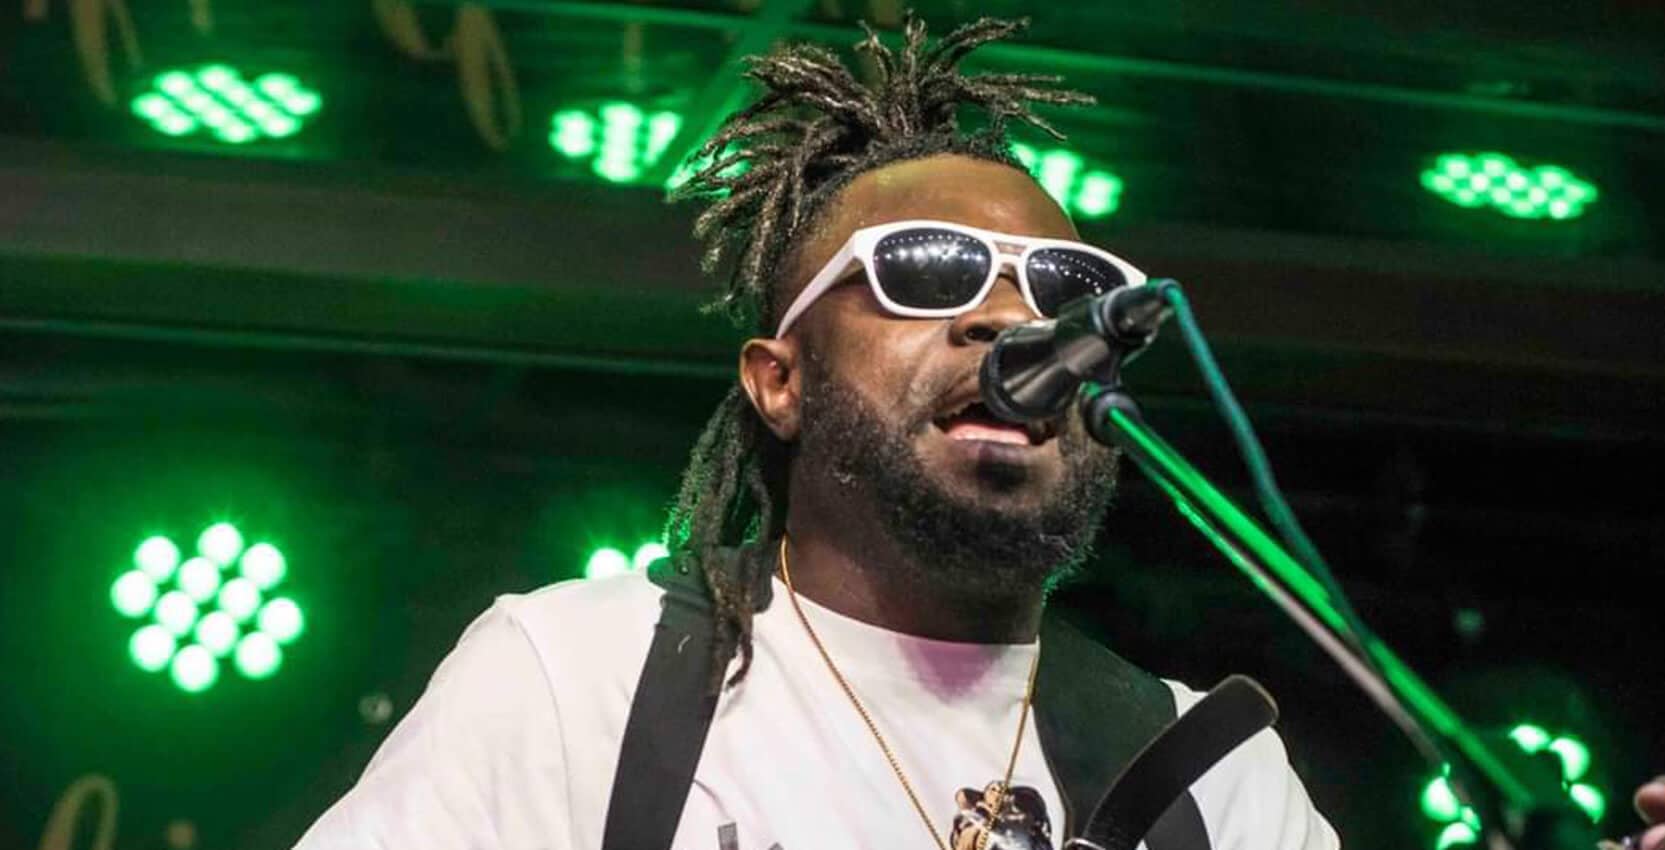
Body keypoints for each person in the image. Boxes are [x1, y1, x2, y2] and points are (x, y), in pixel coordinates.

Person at [294, 15, 1665, 850]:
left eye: (1064, 290)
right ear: (777, 380)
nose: (1007, 321)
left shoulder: (1208, 771)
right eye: (924, 273)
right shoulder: (575, 680)